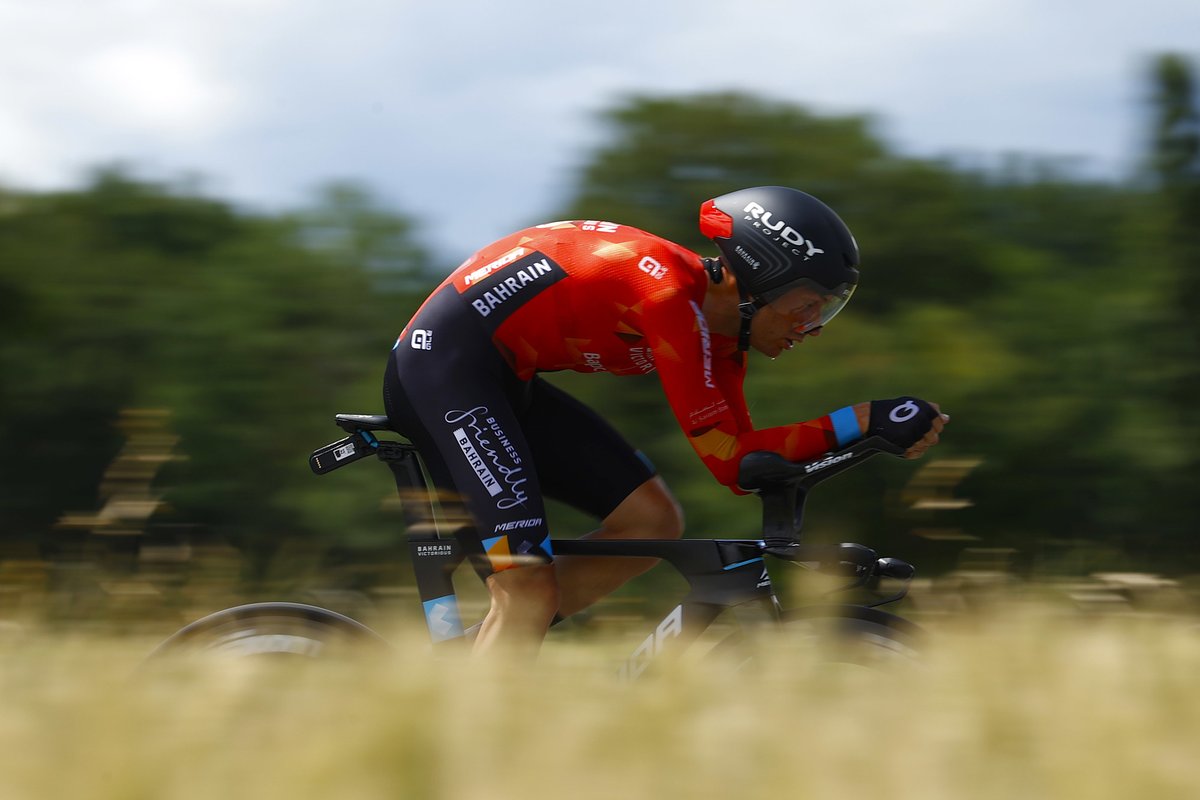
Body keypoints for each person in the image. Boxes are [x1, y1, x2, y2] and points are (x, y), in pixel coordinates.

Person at [383, 185, 947, 658]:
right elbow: (732, 456)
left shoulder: (723, 337)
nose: (814, 325)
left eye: (827, 309)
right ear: (759, 280)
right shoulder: (670, 301)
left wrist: (868, 432)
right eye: (808, 305)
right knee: (526, 585)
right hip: (442, 372)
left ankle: (484, 660)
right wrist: (865, 418)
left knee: (651, 523)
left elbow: (738, 464)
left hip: (503, 380)